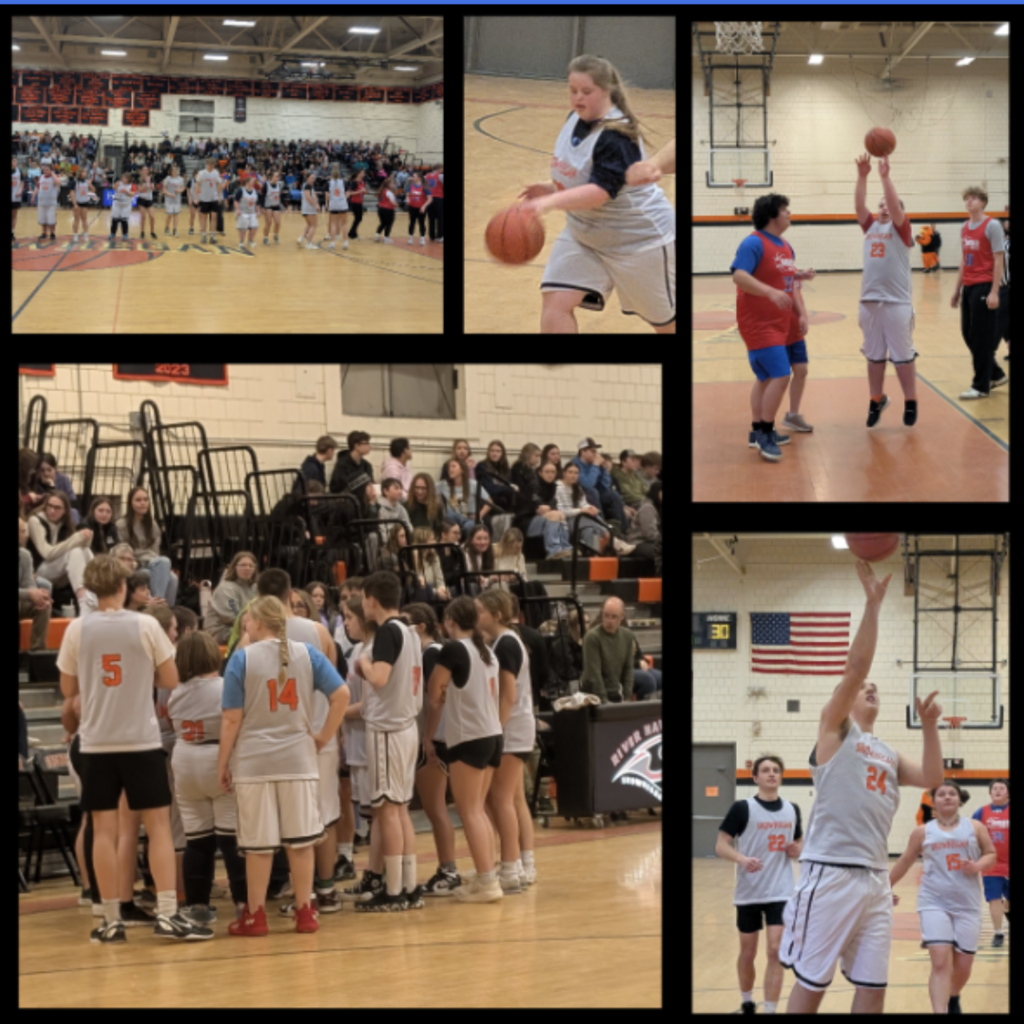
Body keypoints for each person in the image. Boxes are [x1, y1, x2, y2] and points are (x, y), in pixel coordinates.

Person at [779, 559, 946, 1014]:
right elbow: (854, 668)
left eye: (875, 688)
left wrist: (930, 726)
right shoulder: (835, 732)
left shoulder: (888, 753)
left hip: (875, 877)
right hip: (830, 872)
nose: (870, 688)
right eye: (862, 688)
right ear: (844, 699)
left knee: (873, 988)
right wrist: (873, 605)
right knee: (812, 984)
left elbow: (933, 779)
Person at [57, 555, 213, 943]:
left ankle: (110, 920)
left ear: (91, 589)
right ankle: (167, 913)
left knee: (103, 831)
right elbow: (171, 678)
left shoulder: (77, 628)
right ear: (123, 586)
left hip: (96, 742)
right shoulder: (145, 624)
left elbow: (68, 690)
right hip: (140, 740)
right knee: (158, 828)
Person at [218, 596, 348, 935]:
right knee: (301, 842)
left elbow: (231, 719)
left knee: (259, 846)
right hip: (298, 759)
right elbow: (342, 695)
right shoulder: (308, 654)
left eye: (248, 619)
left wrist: (222, 763)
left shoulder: (241, 658)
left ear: (259, 622)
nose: (245, 624)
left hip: (254, 762)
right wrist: (324, 736)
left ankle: (255, 916)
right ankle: (306, 912)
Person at [517, 56, 674, 334]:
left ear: (606, 91)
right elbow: (583, 175)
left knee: (667, 327)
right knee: (555, 303)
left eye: (586, 91)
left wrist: (549, 202)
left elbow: (600, 192)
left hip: (637, 241)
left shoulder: (617, 135)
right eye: (573, 90)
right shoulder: (573, 120)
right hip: (584, 234)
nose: (578, 98)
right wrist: (552, 187)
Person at [889, 780, 996, 1013]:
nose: (947, 797)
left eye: (952, 793)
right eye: (941, 794)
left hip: (967, 904)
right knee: (939, 961)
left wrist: (977, 866)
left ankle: (953, 995)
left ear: (960, 799)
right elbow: (905, 860)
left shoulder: (975, 827)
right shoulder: (922, 831)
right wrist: (885, 887)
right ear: (933, 801)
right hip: (933, 901)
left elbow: (990, 854)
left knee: (964, 966)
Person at [424, 596, 504, 903]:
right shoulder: (487, 651)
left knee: (470, 811)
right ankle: (487, 874)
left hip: (470, 736)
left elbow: (434, 691)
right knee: (478, 809)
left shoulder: (455, 649)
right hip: (492, 734)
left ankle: (488, 882)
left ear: (450, 621)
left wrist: (440, 698)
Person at [353, 571, 424, 911]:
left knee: (388, 811)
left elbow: (379, 678)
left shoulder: (386, 632)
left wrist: (363, 663)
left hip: (388, 730)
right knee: (400, 810)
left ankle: (394, 890)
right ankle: (408, 885)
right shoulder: (410, 631)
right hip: (407, 726)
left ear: (371, 600)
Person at [716, 755, 804, 1015]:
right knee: (748, 951)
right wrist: (742, 859)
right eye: (765, 770)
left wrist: (796, 849)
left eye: (776, 770)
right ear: (755, 777)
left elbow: (799, 845)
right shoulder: (742, 808)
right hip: (749, 893)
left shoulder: (792, 809)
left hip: (781, 891)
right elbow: (721, 845)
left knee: (775, 950)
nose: (772, 773)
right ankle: (747, 1000)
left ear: (781, 777)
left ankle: (770, 1009)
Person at [730, 193, 805, 461]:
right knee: (781, 375)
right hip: (758, 323)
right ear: (772, 215)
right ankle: (765, 433)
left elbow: (783, 276)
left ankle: (757, 431)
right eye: (785, 210)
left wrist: (799, 276)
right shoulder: (753, 242)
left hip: (779, 323)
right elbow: (739, 275)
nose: (789, 213)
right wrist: (770, 292)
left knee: (766, 378)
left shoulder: (785, 246)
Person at [475, 588, 536, 892]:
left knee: (501, 798)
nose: (476, 616)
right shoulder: (503, 641)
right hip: (515, 727)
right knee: (511, 799)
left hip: (512, 728)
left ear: (496, 614)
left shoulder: (507, 644)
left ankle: (512, 866)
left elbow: (508, 695)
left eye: (480, 611)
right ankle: (521, 864)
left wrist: (496, 730)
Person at [853, 153, 919, 428]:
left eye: (887, 204)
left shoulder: (901, 228)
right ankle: (875, 399)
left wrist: (885, 177)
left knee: (902, 357)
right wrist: (862, 176)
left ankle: (910, 401)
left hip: (897, 303)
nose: (883, 207)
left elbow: (893, 204)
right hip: (869, 302)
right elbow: (859, 206)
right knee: (874, 357)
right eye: (879, 204)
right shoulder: (870, 226)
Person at [336, 594, 379, 902]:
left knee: (377, 816)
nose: (345, 623)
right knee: (369, 814)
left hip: (368, 744)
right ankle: (375, 875)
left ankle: (379, 876)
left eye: (349, 617)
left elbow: (366, 706)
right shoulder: (356, 651)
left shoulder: (371, 652)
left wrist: (335, 713)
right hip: (355, 744)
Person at [951, 185, 1007, 399]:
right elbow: (964, 259)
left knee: (980, 336)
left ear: (983, 202)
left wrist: (995, 291)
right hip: (969, 286)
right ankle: (996, 374)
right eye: (967, 198)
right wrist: (957, 289)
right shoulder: (965, 226)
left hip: (985, 285)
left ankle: (981, 386)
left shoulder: (992, 226)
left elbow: (999, 259)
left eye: (974, 198)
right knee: (968, 333)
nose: (969, 201)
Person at [27, 492, 95, 614]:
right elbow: (47, 553)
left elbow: (78, 549)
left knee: (83, 550)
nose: (52, 511)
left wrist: (86, 540)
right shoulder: (35, 520)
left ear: (65, 510)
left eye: (57, 508)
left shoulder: (65, 525)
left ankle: (98, 594)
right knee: (74, 551)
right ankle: (85, 603)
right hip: (39, 570)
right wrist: (76, 538)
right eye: (49, 506)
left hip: (61, 573)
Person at [116, 486, 178, 605]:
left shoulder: (152, 524)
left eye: (145, 499)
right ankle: (158, 606)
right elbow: (123, 550)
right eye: (138, 500)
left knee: (173, 578)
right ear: (130, 503)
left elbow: (155, 551)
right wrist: (140, 557)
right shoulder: (122, 525)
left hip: (151, 563)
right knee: (162, 563)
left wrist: (149, 557)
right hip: (135, 564)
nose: (143, 503)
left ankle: (165, 610)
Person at [973, 779, 1010, 948]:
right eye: (994, 788)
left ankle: (1006, 908)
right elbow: (971, 834)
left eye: (1001, 788)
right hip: (991, 865)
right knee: (994, 898)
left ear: (1008, 792)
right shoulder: (981, 812)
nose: (998, 790)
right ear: (990, 792)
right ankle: (998, 932)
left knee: (1007, 901)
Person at [571, 438, 630, 528]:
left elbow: (606, 485)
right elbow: (587, 484)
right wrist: (595, 466)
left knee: (613, 494)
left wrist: (603, 469)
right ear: (583, 452)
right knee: (592, 491)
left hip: (597, 494)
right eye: (592, 451)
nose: (595, 454)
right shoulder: (575, 464)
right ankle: (602, 526)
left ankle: (623, 528)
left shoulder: (595, 464)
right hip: (582, 495)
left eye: (596, 451)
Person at [203, 551, 258, 645]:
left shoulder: (254, 587)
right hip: (220, 631)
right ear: (234, 567)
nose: (247, 568)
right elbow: (234, 617)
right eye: (243, 565)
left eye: (251, 565)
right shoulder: (226, 588)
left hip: (242, 626)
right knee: (260, 633)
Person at [19, 515, 53, 650]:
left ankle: (37, 653)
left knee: (43, 605)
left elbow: (28, 583)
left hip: (20, 599)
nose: (26, 535)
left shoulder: (25, 555)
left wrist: (38, 595)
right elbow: (27, 591)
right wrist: (29, 593)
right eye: (22, 531)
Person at [30, 160, 59, 242]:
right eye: (44, 170)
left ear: (51, 170)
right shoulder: (41, 177)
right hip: (42, 202)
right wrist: (33, 196)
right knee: (43, 219)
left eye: (47, 170)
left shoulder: (55, 177)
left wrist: (52, 174)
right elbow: (37, 187)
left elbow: (57, 183)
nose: (45, 171)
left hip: (51, 203)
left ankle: (52, 233)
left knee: (51, 219)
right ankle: (44, 233)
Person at [196, 157, 222, 245]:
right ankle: (204, 235)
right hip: (204, 199)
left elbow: (219, 184)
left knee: (214, 217)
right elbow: (197, 185)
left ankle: (212, 236)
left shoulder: (216, 173)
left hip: (214, 198)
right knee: (204, 217)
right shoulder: (201, 173)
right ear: (207, 164)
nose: (211, 167)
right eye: (210, 165)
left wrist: (219, 196)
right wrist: (195, 197)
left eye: (213, 165)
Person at [326, 161, 349, 250]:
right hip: (342, 204)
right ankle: (346, 243)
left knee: (333, 224)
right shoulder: (344, 182)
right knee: (344, 224)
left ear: (331, 175)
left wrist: (327, 204)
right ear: (339, 175)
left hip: (333, 204)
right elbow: (348, 193)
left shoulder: (329, 183)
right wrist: (343, 199)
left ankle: (332, 243)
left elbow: (327, 195)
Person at [234, 174, 260, 252]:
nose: (253, 183)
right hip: (242, 212)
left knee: (254, 227)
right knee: (243, 229)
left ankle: (250, 240)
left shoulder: (255, 191)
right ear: (247, 182)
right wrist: (238, 210)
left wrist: (258, 211)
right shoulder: (241, 191)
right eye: (252, 182)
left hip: (252, 212)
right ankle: (241, 241)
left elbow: (257, 203)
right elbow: (236, 201)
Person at [405, 170, 431, 246]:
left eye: (414, 176)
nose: (413, 177)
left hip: (421, 208)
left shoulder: (425, 187)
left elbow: (430, 199)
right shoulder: (411, 186)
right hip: (412, 207)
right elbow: (407, 194)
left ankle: (422, 239)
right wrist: (407, 199)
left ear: (419, 178)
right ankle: (410, 238)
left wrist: (424, 206)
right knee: (412, 222)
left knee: (421, 223)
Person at [259, 169, 285, 245]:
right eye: (276, 176)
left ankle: (275, 235)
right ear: (271, 177)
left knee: (277, 223)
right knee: (268, 222)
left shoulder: (279, 184)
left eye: (278, 176)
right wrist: (262, 207)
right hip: (268, 206)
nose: (278, 177)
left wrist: (284, 205)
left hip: (276, 205)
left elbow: (280, 195)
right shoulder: (266, 185)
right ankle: (265, 238)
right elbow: (262, 196)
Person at [161, 161, 185, 238]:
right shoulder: (168, 179)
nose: (175, 172)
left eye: (176, 170)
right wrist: (169, 194)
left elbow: (183, 188)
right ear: (171, 172)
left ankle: (175, 230)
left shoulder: (180, 179)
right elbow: (163, 190)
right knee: (169, 215)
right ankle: (166, 228)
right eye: (173, 170)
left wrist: (179, 191)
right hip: (169, 200)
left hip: (177, 200)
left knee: (176, 215)